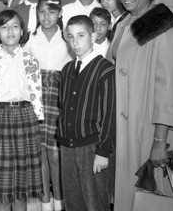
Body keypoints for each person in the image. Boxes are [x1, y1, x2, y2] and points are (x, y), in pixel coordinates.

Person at [108, 0, 173, 210]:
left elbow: (168, 88)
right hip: (127, 124)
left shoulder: (163, 25)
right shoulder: (125, 22)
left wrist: (160, 141)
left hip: (150, 128)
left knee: (152, 199)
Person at [0, 9, 44, 211]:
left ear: (22, 30)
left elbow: (36, 91)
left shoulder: (31, 60)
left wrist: (37, 118)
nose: (10, 31)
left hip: (25, 118)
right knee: (2, 189)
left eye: (15, 26)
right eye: (4, 27)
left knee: (21, 188)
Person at [58, 15, 115, 211]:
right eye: (71, 37)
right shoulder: (66, 70)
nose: (75, 42)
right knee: (73, 202)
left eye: (81, 36)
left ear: (92, 36)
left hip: (91, 146)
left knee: (95, 202)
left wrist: (103, 151)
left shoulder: (105, 69)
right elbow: (64, 107)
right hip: (67, 146)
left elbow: (110, 113)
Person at [26, 0, 71, 211]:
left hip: (60, 97)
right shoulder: (30, 39)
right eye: (42, 11)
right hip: (36, 97)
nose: (46, 16)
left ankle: (59, 202)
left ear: (60, 13)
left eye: (52, 12)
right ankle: (45, 203)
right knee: (40, 153)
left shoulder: (67, 38)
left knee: (55, 153)